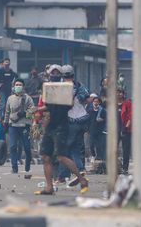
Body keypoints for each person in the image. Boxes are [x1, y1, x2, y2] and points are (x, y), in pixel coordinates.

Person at [33, 65, 89, 195]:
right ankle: (49, 187)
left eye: (57, 72)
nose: (55, 74)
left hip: (62, 125)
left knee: (61, 156)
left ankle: (82, 180)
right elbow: (48, 105)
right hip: (51, 124)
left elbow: (68, 105)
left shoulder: (68, 89)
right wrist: (38, 110)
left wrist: (42, 108)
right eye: (53, 72)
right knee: (45, 156)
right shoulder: (48, 88)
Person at [4, 79, 34, 174]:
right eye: (16, 85)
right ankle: (14, 167)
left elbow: (33, 111)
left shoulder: (28, 98)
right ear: (13, 86)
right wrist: (5, 122)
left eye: (20, 85)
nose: (18, 86)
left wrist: (25, 113)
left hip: (25, 125)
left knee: (27, 147)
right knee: (13, 146)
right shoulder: (10, 98)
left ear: (23, 86)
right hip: (13, 125)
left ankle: (28, 162)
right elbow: (7, 112)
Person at [87, 94, 106, 163]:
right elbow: (88, 120)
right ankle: (93, 155)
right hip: (91, 130)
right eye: (94, 101)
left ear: (99, 102)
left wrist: (102, 120)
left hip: (100, 131)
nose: (95, 103)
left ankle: (99, 158)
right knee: (91, 144)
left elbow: (106, 120)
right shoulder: (90, 111)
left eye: (97, 101)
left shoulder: (102, 111)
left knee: (99, 145)